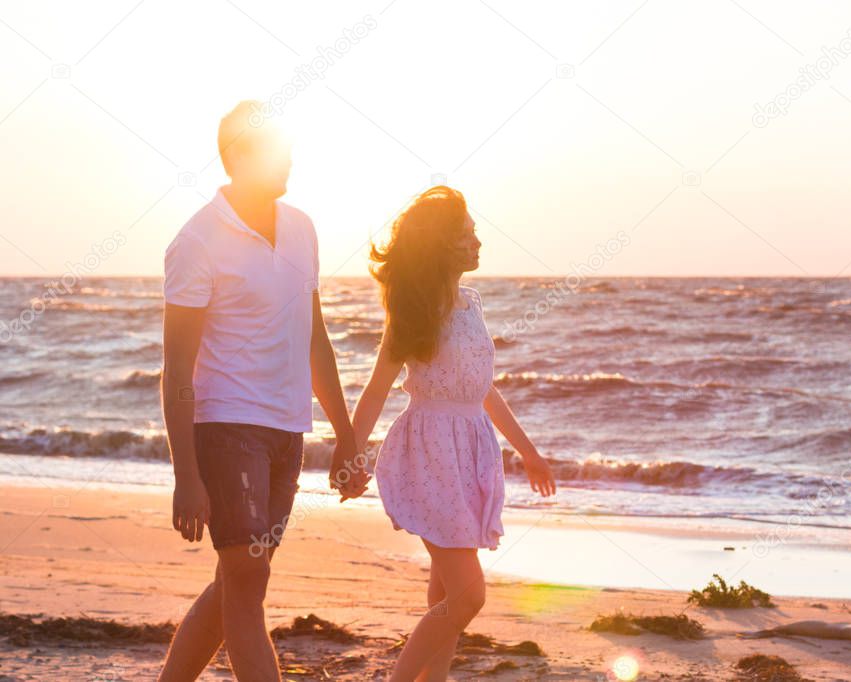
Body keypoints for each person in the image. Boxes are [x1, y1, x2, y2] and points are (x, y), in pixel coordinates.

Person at [158, 100, 369, 681]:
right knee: (250, 584)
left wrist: (347, 438)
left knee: (235, 581)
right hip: (226, 429)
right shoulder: (196, 241)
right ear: (239, 157)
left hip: (286, 432)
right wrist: (186, 476)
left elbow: (316, 341)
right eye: (276, 149)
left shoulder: (302, 228)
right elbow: (176, 368)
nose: (289, 158)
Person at [351, 185, 556, 681]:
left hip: (471, 448)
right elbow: (377, 389)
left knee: (445, 592)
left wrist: (527, 451)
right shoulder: (414, 312)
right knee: (469, 594)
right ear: (442, 245)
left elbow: (483, 389)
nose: (478, 242)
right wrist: (351, 456)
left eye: (475, 233)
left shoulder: (472, 303)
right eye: (466, 235)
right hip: (429, 452)